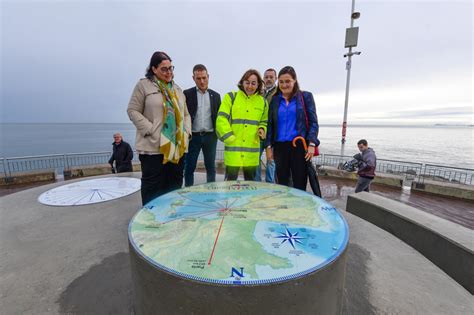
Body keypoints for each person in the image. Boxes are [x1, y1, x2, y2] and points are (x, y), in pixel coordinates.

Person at [127, 51, 191, 205]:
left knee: (174, 186)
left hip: (177, 148)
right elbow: (132, 110)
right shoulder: (143, 86)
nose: (169, 72)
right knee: (153, 187)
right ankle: (150, 221)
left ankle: (170, 218)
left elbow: (186, 114)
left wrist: (186, 132)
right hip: (153, 148)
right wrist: (150, 129)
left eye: (171, 68)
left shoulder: (177, 89)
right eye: (164, 69)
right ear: (154, 69)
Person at [266, 66, 319, 191]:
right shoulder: (274, 100)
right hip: (279, 147)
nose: (284, 85)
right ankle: (284, 209)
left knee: (299, 183)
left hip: (299, 146)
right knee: (282, 183)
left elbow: (313, 122)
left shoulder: (305, 97)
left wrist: (312, 143)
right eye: (281, 82)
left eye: (288, 81)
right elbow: (270, 125)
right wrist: (268, 147)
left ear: (294, 80)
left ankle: (299, 209)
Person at [216, 69, 268, 181]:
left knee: (250, 184)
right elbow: (221, 118)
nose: (250, 86)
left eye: (253, 83)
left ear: (258, 84)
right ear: (242, 82)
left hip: (251, 152)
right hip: (233, 150)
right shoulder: (231, 97)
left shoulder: (263, 102)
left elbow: (264, 121)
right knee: (230, 183)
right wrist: (229, 136)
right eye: (247, 82)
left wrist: (262, 129)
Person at [183, 64, 221, 187]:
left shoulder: (216, 96)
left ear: (208, 76)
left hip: (210, 136)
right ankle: (189, 192)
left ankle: (211, 192)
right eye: (198, 78)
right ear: (193, 78)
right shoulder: (187, 94)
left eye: (204, 78)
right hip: (193, 137)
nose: (202, 81)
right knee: (189, 167)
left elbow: (219, 118)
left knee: (211, 167)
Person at [255, 68, 277, 183]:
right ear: (263, 79)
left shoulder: (278, 93)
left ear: (275, 78)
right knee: (255, 159)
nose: (268, 79)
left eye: (271, 77)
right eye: (266, 77)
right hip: (259, 132)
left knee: (271, 160)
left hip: (272, 133)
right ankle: (257, 183)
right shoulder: (259, 93)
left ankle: (270, 184)